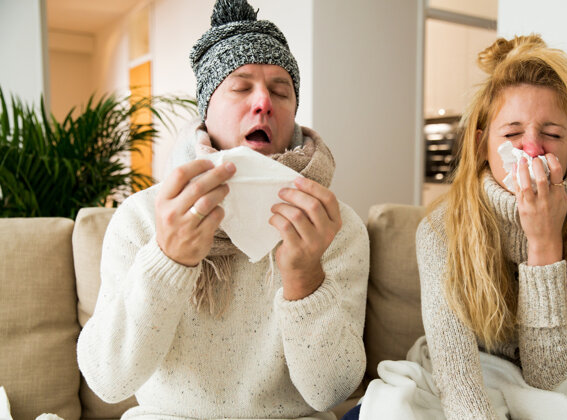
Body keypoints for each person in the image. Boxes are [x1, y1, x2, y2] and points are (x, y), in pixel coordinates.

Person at [349, 34, 567, 420]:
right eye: (513, 134)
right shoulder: (440, 229)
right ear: (482, 144)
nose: (531, 149)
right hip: (466, 379)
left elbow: (550, 380)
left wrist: (544, 241)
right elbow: (461, 385)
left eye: (551, 134)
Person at [77, 1, 369, 419]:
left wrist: (305, 279)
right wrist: (168, 259)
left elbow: (330, 393)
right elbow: (108, 381)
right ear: (206, 110)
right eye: (241, 86)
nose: (264, 101)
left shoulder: (332, 225)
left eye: (281, 91)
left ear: (292, 117)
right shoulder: (144, 216)